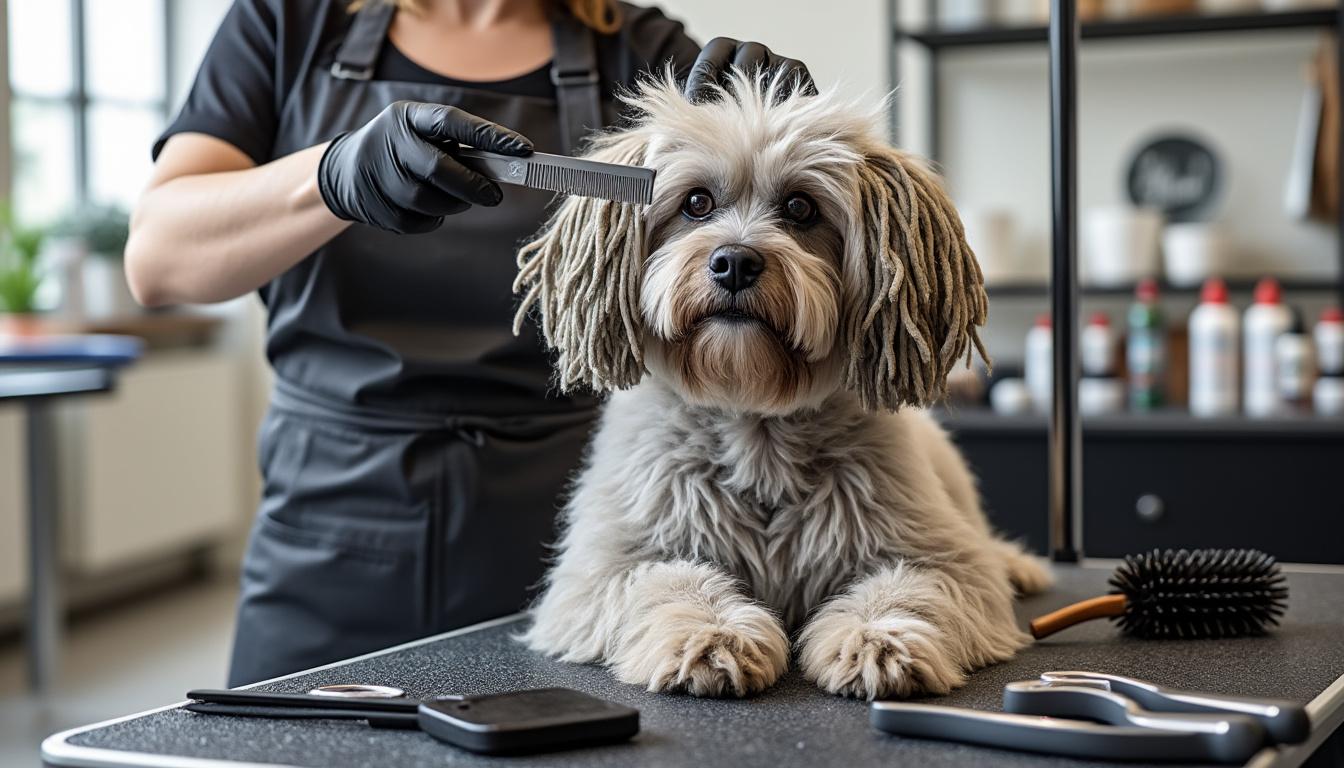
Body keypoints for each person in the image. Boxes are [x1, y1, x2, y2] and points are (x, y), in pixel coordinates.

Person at [126, 0, 812, 686]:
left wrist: (780, 117)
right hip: (329, 537)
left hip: (581, 546)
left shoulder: (638, 50)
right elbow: (158, 260)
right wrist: (328, 177)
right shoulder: (289, 23)